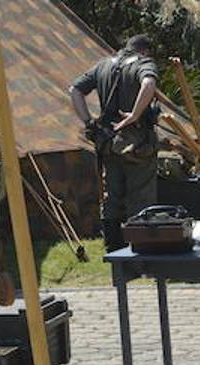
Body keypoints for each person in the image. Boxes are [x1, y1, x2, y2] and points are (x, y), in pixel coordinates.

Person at [70, 34, 163, 251]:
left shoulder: (103, 65)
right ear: (145, 51)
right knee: (141, 196)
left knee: (112, 197)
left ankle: (114, 250)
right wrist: (134, 115)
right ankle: (141, 252)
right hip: (137, 143)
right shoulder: (144, 63)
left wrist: (88, 122)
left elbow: (74, 90)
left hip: (108, 142)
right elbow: (148, 83)